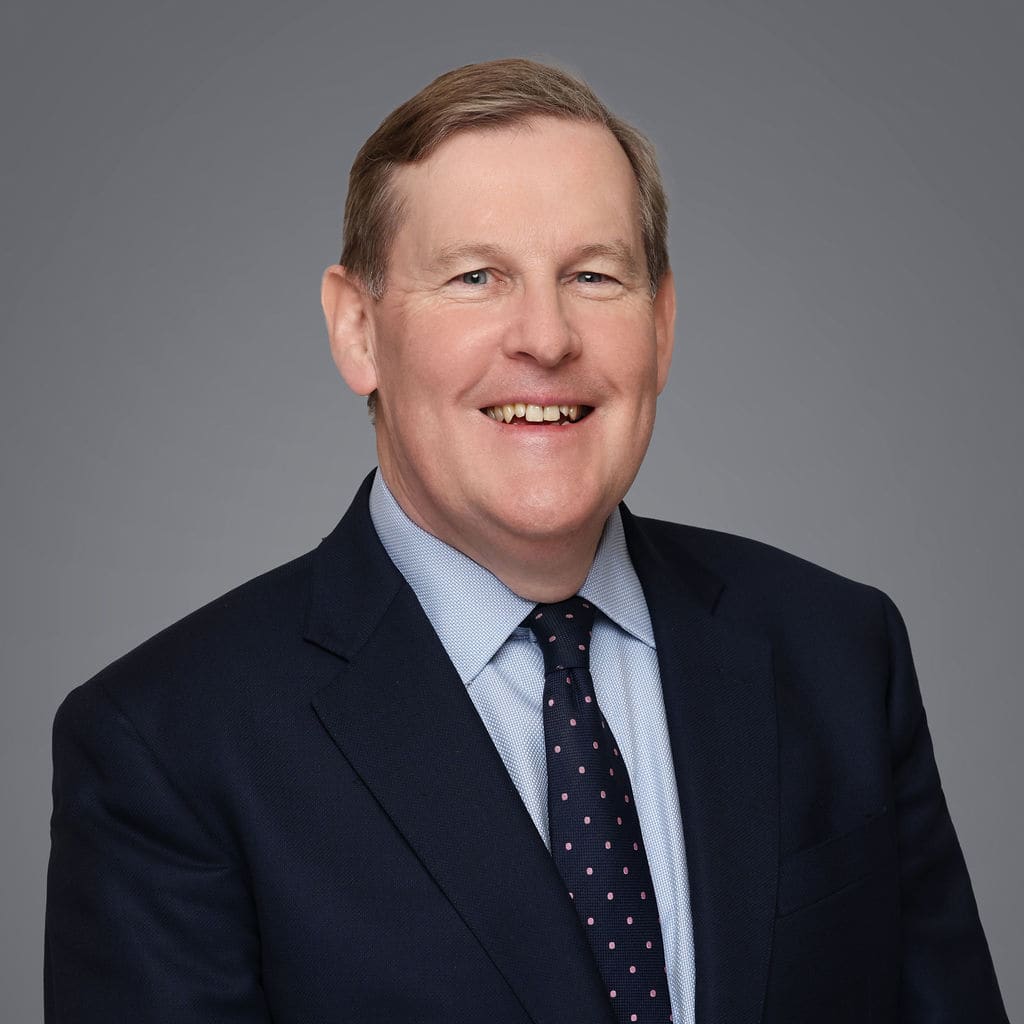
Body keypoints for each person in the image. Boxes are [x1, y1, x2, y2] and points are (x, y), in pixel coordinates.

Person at [45, 58, 1007, 1024]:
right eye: (476, 277)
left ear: (662, 325)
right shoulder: (167, 746)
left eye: (593, 276)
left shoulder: (838, 652)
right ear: (358, 330)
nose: (546, 338)